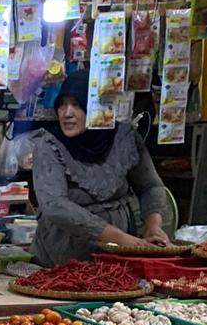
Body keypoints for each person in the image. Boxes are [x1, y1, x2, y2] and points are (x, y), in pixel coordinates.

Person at [29, 70, 172, 267]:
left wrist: (153, 225)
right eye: (62, 105)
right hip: (64, 256)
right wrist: (119, 238)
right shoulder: (48, 146)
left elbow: (150, 186)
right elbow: (55, 205)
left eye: (77, 104)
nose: (67, 113)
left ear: (98, 107)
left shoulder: (124, 137)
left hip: (120, 256)